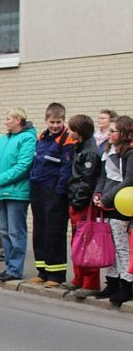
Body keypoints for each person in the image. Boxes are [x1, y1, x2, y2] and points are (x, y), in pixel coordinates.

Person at [0, 107, 36, 282]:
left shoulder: (27, 139)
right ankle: (9, 266)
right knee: (4, 231)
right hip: (0, 190)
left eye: (8, 118)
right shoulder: (3, 139)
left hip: (16, 192)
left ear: (18, 120)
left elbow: (23, 166)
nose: (6, 121)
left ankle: (15, 268)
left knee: (16, 231)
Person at [27, 102, 74, 287]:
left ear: (64, 120)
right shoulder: (43, 137)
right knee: (40, 231)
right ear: (46, 121)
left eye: (58, 122)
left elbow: (66, 168)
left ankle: (56, 274)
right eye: (52, 122)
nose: (55, 125)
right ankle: (43, 270)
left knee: (54, 233)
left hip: (54, 192)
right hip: (38, 189)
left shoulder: (66, 140)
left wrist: (58, 192)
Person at [93, 116, 133, 305]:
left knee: (121, 245)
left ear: (124, 133)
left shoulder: (130, 152)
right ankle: (112, 281)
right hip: (106, 203)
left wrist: (108, 198)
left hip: (121, 204)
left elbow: (128, 180)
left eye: (113, 131)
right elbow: (103, 176)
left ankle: (127, 284)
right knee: (110, 245)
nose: (109, 134)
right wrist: (98, 194)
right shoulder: (108, 150)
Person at [65, 114, 103, 297]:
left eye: (71, 129)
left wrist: (78, 201)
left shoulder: (90, 152)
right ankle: (78, 278)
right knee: (77, 242)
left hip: (83, 204)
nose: (69, 131)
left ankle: (91, 282)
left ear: (79, 132)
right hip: (76, 201)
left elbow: (87, 181)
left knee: (87, 242)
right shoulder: (80, 148)